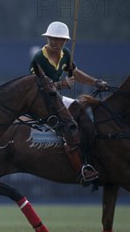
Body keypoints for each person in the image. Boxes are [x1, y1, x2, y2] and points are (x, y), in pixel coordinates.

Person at [29, 21, 109, 184]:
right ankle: (81, 168)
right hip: (40, 100)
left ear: (65, 41)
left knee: (81, 111)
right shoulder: (38, 58)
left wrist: (95, 82)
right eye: (51, 38)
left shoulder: (65, 54)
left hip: (55, 99)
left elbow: (75, 73)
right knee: (69, 130)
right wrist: (61, 85)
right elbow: (36, 86)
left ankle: (95, 159)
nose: (54, 42)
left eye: (58, 39)